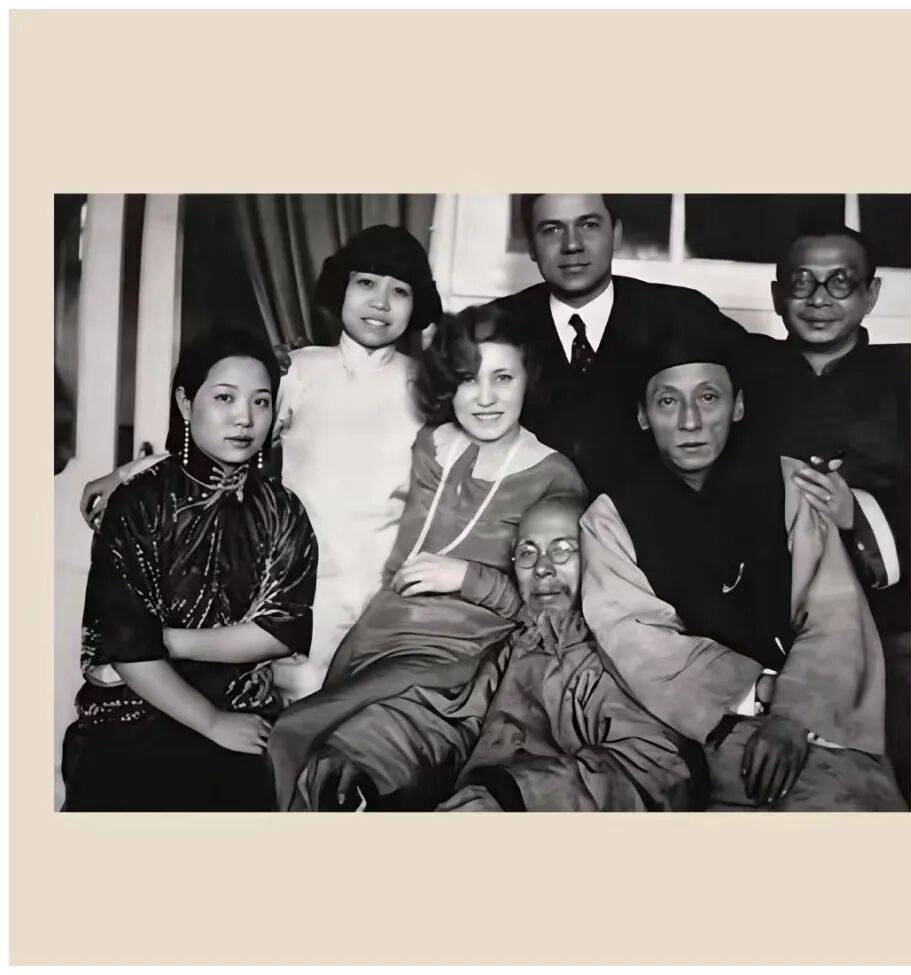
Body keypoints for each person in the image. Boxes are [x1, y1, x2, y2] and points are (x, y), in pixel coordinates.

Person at [77, 225, 442, 703]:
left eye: (399, 291)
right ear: (341, 288)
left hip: (384, 588)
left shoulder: (428, 387)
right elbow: (226, 441)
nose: (380, 302)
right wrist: (125, 474)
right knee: (294, 712)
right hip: (297, 581)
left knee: (366, 715)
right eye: (366, 283)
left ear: (417, 304)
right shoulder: (300, 370)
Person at [580, 304, 905, 811]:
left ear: (738, 405)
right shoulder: (609, 517)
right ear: (643, 415)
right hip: (693, 724)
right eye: (668, 401)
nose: (690, 422)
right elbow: (637, 638)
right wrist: (760, 692)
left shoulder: (791, 483)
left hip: (818, 719)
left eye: (708, 397)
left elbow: (834, 613)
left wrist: (795, 712)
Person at [268, 304, 587, 810]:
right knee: (295, 740)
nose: (485, 398)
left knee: (324, 752)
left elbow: (557, 614)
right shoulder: (428, 444)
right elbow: (329, 465)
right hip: (373, 643)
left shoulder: (554, 476)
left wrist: (467, 578)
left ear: (529, 378)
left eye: (503, 378)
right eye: (467, 378)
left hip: (460, 664)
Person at [297, 494, 701, 812]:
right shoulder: (518, 647)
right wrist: (366, 757)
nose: (542, 568)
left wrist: (512, 797)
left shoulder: (622, 656)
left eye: (563, 549)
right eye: (528, 552)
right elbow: (452, 720)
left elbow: (656, 770)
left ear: (598, 560)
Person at [61, 329, 318, 811]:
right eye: (224, 397)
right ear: (185, 402)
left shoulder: (283, 511)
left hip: (241, 713)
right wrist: (209, 722)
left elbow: (280, 631)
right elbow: (126, 651)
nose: (245, 418)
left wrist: (162, 640)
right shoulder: (137, 503)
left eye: (261, 402)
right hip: (128, 719)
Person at [746, 223, 911, 802]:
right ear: (776, 295)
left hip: (885, 611)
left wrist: (856, 515)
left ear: (872, 293)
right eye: (802, 283)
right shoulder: (745, 370)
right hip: (769, 607)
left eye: (840, 283)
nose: (819, 300)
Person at [488, 193, 746, 498]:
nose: (572, 244)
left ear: (616, 234)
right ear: (532, 245)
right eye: (552, 229)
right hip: (527, 518)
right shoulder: (495, 327)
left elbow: (759, 394)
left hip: (653, 518)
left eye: (588, 225)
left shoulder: (682, 313)